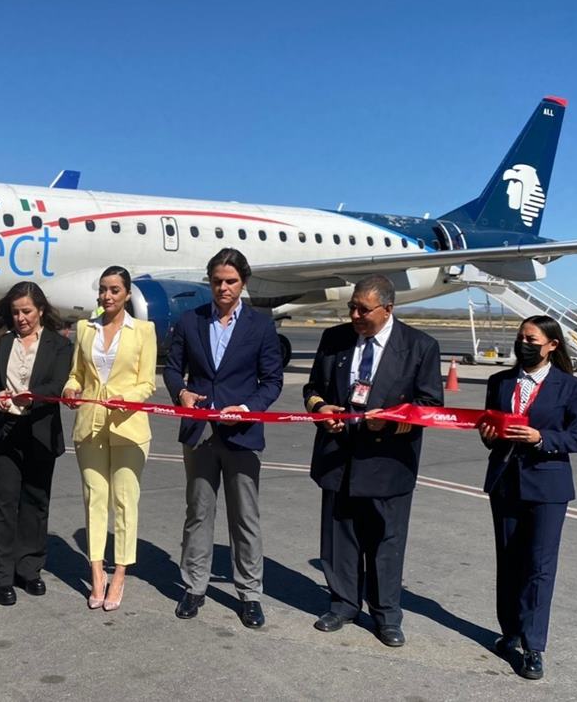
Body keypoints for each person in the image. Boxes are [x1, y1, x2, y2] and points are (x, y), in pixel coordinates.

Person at [303, 275, 442, 648]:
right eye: (352, 306)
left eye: (363, 309)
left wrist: (393, 421)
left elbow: (430, 406)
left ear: (388, 309)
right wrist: (321, 408)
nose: (355, 315)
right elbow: (312, 388)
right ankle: (343, 604)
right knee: (340, 539)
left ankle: (386, 615)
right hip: (338, 456)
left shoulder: (419, 346)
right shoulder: (335, 339)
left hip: (387, 461)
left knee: (385, 542)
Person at [163, 248, 284, 629]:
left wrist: (249, 407)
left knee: (244, 517)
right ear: (210, 282)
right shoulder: (190, 321)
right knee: (198, 513)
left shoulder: (261, 326)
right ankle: (194, 586)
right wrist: (180, 394)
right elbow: (171, 368)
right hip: (200, 433)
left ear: (242, 283)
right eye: (217, 281)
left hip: (242, 434)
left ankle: (249, 593)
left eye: (231, 281)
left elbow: (272, 380)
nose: (223, 287)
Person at [478, 315, 577, 680]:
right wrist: (489, 434)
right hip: (505, 483)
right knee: (509, 561)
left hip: (547, 487)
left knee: (539, 567)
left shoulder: (571, 388)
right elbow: (491, 433)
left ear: (552, 345)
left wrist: (541, 438)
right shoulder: (500, 382)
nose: (523, 344)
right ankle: (510, 630)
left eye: (531, 339)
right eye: (520, 337)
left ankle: (534, 646)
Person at [61, 266, 158, 611]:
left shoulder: (144, 330)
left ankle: (120, 573)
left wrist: (128, 399)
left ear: (127, 294)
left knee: (124, 501)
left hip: (128, 426)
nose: (107, 296)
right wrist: (71, 388)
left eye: (115, 290)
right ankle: (97, 571)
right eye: (103, 289)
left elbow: (148, 382)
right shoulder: (85, 328)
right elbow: (76, 373)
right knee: (94, 499)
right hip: (89, 426)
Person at [0, 282, 73, 605]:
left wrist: (36, 396)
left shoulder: (58, 345)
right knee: (3, 504)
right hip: (4, 430)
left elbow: (58, 381)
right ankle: (0, 576)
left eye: (26, 311)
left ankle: (29, 569)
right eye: (15, 312)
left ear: (40, 309)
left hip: (40, 430)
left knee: (35, 503)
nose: (20, 318)